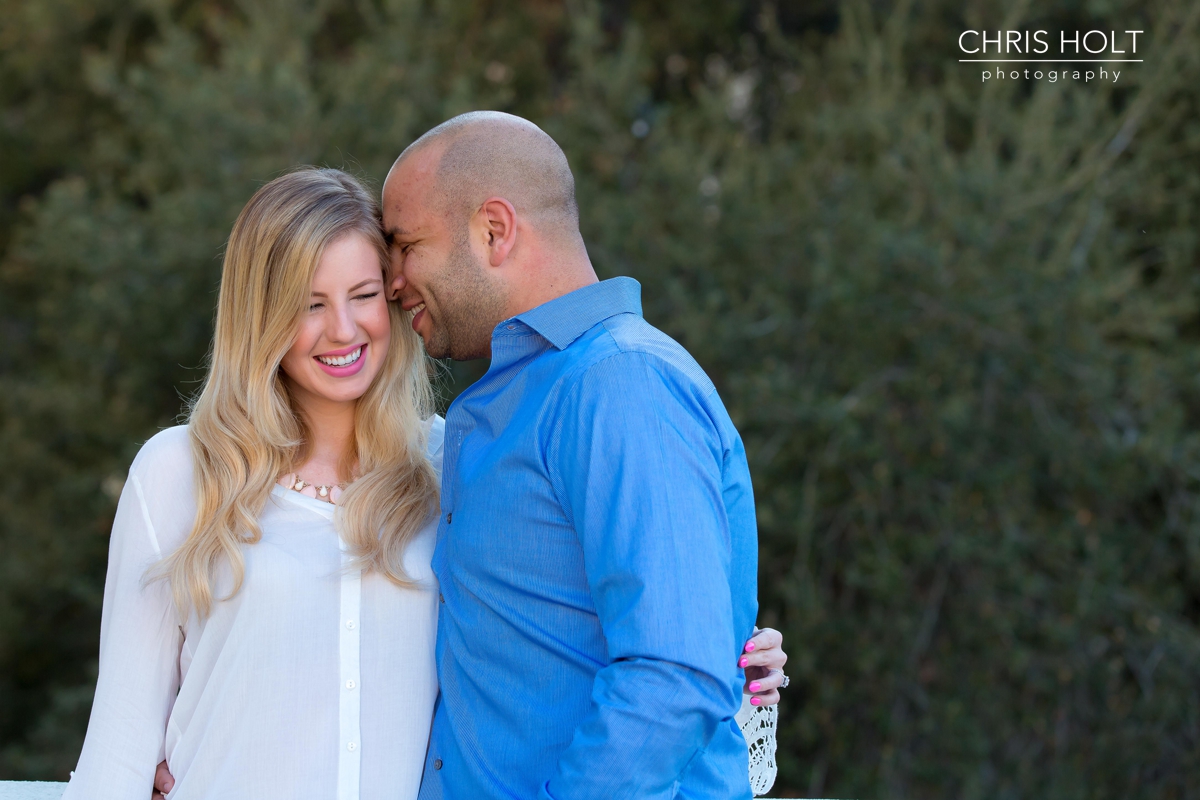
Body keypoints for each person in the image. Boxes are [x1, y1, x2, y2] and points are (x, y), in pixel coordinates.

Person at [62, 168, 783, 799]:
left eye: (364, 294)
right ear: (261, 315)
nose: (342, 330)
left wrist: (728, 655)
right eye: (308, 303)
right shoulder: (179, 473)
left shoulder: (453, 467)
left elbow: (550, 626)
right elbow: (120, 746)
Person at [380, 111, 785, 800]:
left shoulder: (621, 382)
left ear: (494, 230)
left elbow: (675, 676)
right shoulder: (507, 403)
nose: (392, 281)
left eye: (406, 245)